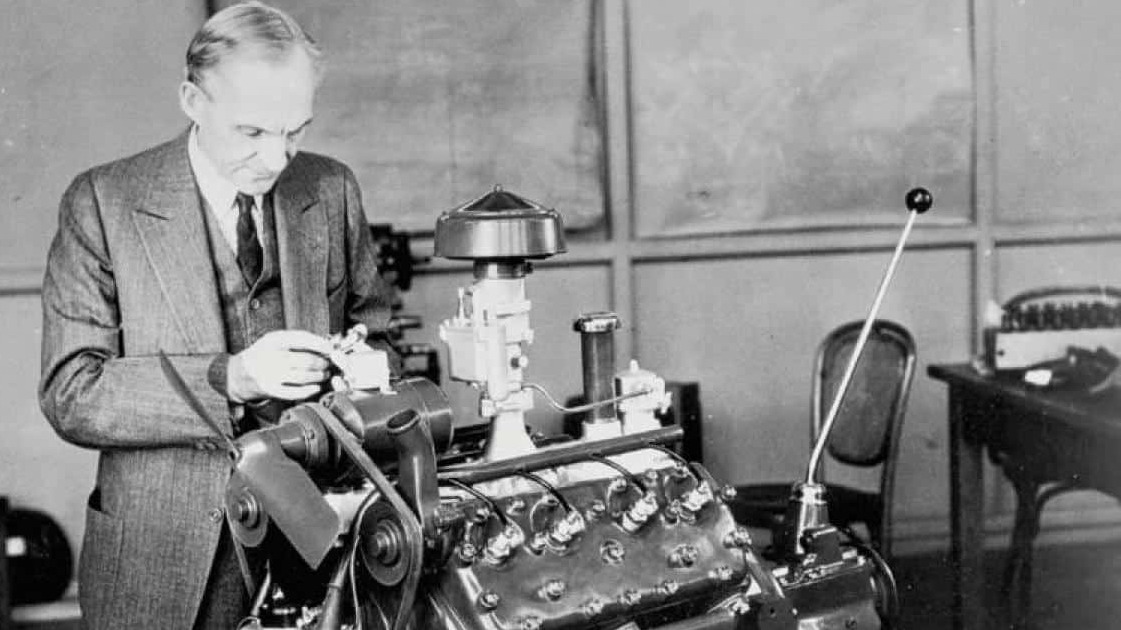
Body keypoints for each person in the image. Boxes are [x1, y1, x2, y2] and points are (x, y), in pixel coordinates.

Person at [37, 3, 395, 628]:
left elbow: (377, 335)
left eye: (295, 131)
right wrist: (232, 378)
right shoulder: (104, 203)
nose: (278, 158)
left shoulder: (331, 189)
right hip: (159, 561)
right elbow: (72, 392)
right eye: (252, 133)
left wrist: (360, 369)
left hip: (316, 553)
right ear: (192, 101)